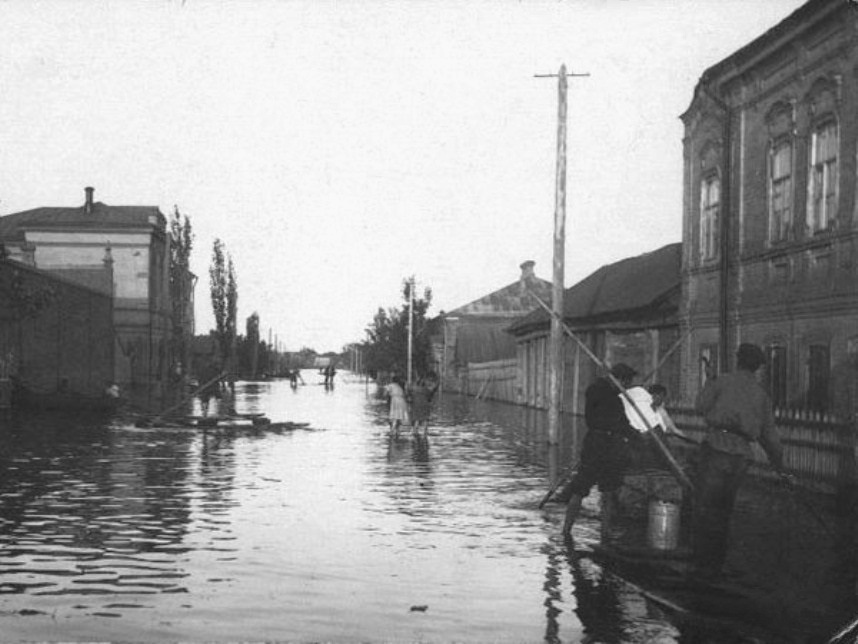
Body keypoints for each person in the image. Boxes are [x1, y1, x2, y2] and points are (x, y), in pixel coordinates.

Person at [692, 342, 790, 579]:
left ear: (738, 360)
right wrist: (780, 467)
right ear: (758, 367)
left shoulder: (722, 381)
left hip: (717, 448)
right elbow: (770, 437)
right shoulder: (762, 395)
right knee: (724, 511)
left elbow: (700, 407)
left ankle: (701, 567)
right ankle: (716, 566)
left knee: (706, 508)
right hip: (741, 456)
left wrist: (710, 383)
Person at [559, 363, 641, 536]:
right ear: (619, 379)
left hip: (612, 448)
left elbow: (624, 425)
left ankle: (605, 531)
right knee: (580, 488)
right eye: (626, 382)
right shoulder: (597, 391)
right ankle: (566, 530)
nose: (627, 387)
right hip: (596, 445)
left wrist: (637, 436)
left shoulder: (617, 399)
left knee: (609, 489)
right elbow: (599, 419)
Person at [408, 374, 439, 438]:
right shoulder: (426, 390)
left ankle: (415, 431)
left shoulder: (414, 389)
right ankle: (425, 432)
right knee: (425, 419)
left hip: (416, 405)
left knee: (416, 418)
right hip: (425, 405)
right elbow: (430, 398)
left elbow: (410, 397)